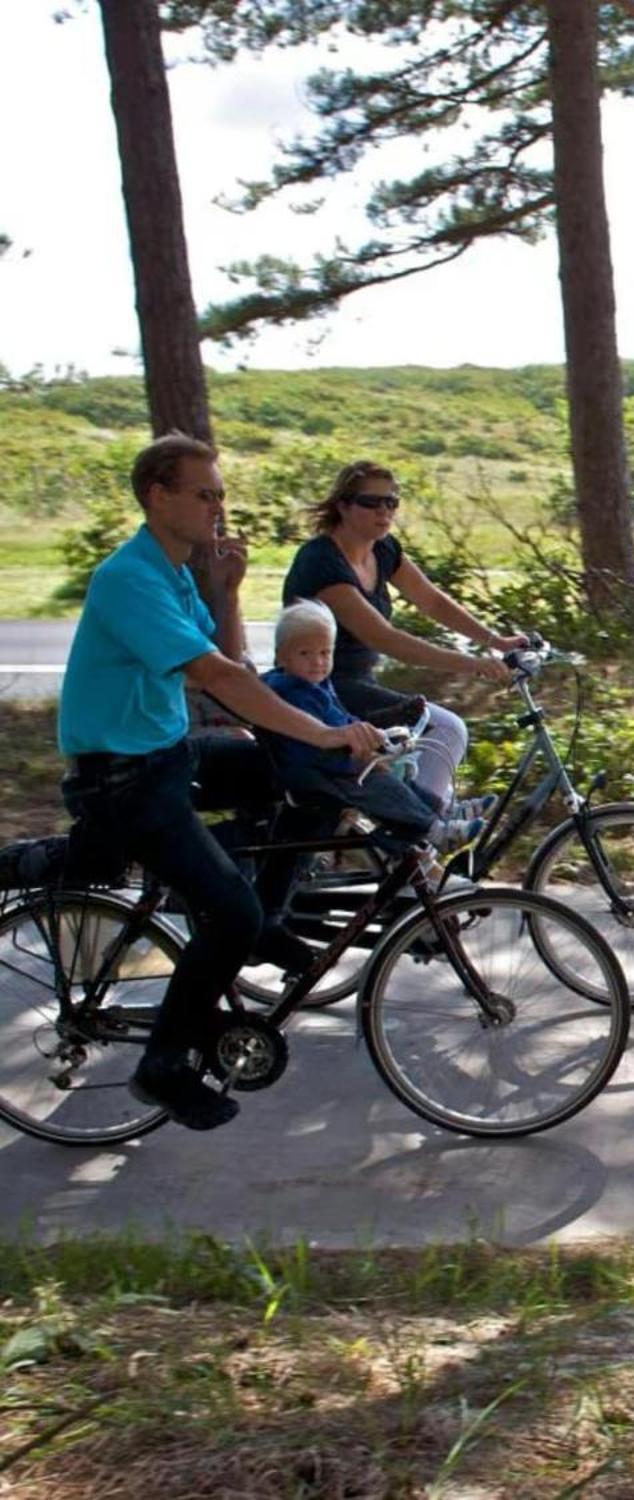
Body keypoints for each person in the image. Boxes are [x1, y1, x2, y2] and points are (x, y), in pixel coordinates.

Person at [59, 432, 386, 1132]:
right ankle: (165, 1063)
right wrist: (323, 729)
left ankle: (261, 912)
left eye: (220, 492)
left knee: (287, 774)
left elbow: (228, 655)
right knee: (228, 913)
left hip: (164, 752)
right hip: (123, 779)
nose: (218, 505)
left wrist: (230, 591)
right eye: (204, 492)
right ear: (159, 496)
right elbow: (217, 677)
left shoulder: (173, 570)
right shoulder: (130, 579)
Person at [281, 460, 526, 810]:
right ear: (344, 506)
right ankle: (424, 833)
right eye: (371, 502)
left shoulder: (382, 549)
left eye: (391, 502)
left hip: (359, 682)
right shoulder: (321, 561)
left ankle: (419, 823)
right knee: (445, 730)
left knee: (418, 753)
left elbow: (432, 601)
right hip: (320, 687)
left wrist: (496, 641)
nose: (384, 511)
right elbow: (386, 638)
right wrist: (474, 665)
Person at [259, 600, 490, 851]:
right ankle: (435, 831)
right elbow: (306, 749)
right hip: (318, 773)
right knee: (382, 787)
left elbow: (341, 718)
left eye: (325, 653)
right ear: (282, 656)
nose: (317, 662)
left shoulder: (316, 685)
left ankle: (444, 809)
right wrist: (355, 759)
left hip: (332, 762)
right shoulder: (293, 693)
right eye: (305, 653)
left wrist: (370, 737)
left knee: (397, 777)